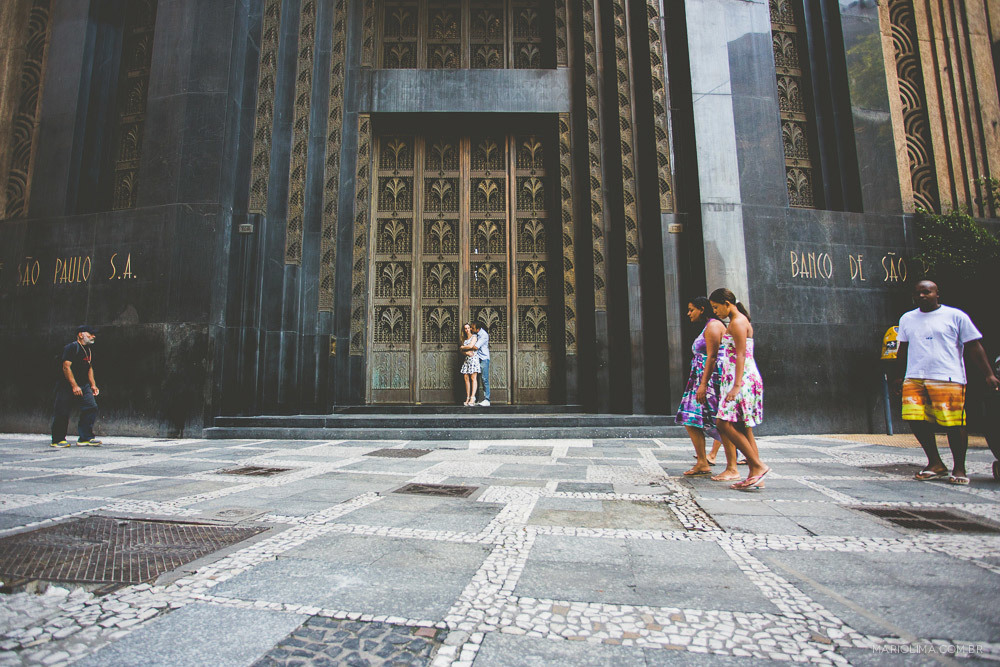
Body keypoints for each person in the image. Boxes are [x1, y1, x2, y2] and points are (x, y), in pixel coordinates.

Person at [897, 280, 999, 485]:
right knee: (915, 419)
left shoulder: (955, 316)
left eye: (926, 292)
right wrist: (898, 377)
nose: (921, 296)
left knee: (953, 422)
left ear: (937, 294)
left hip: (948, 377)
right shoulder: (908, 318)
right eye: (917, 293)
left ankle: (959, 468)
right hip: (915, 377)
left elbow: (973, 346)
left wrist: (988, 374)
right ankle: (935, 463)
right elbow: (903, 349)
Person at [709, 288, 768, 490]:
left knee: (723, 423)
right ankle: (755, 473)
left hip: (741, 380)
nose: (716, 312)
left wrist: (736, 386)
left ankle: (758, 466)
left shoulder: (738, 322)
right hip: (735, 378)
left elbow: (741, 354)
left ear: (727, 303)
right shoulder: (735, 322)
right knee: (742, 426)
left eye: (716, 307)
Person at [676, 297, 738, 479]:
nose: (688, 314)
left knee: (721, 422)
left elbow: (712, 357)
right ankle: (703, 462)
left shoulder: (713, 326)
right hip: (700, 379)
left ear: (702, 309)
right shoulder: (709, 326)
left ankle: (732, 467)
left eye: (691, 310)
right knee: (690, 418)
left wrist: (704, 385)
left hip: (710, 380)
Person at [51, 326, 102, 447]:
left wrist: (93, 385)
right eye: (91, 333)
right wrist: (74, 386)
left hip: (84, 385)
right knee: (62, 411)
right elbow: (66, 367)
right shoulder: (72, 347)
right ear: (80, 335)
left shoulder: (89, 350)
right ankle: (58, 439)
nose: (93, 336)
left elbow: (89, 368)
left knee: (91, 407)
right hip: (66, 385)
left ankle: (85, 437)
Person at [461, 319, 491, 406]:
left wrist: (463, 347)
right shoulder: (476, 334)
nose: (471, 329)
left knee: (484, 379)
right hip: (476, 358)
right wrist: (465, 351)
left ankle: (487, 399)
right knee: (475, 378)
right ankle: (474, 398)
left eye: (472, 328)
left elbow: (475, 347)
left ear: (477, 329)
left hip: (483, 359)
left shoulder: (483, 335)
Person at [459, 323, 481, 406]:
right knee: (466, 378)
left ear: (471, 329)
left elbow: (471, 345)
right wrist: (465, 352)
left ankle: (473, 397)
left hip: (474, 359)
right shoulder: (464, 339)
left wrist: (462, 347)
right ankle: (467, 397)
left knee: (473, 378)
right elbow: (463, 352)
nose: (467, 330)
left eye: (468, 328)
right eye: (465, 328)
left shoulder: (474, 337)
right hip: (467, 359)